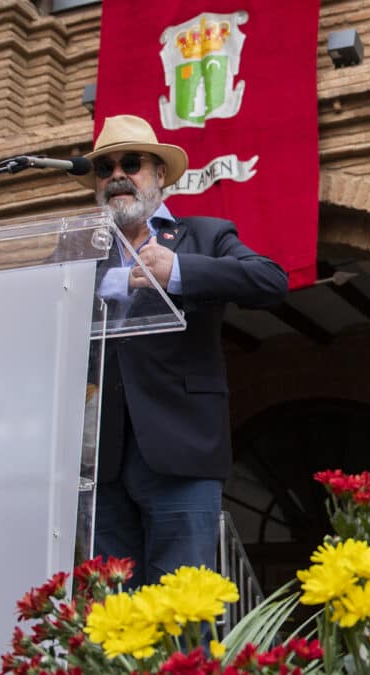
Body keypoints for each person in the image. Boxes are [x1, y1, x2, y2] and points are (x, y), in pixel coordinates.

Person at [78, 114, 288, 587]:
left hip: (183, 450)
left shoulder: (204, 235)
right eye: (104, 168)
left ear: (158, 176)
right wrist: (116, 280)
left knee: (182, 613)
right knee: (115, 615)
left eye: (130, 164)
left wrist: (178, 269)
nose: (116, 177)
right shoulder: (81, 252)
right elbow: (46, 300)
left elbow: (270, 280)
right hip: (100, 461)